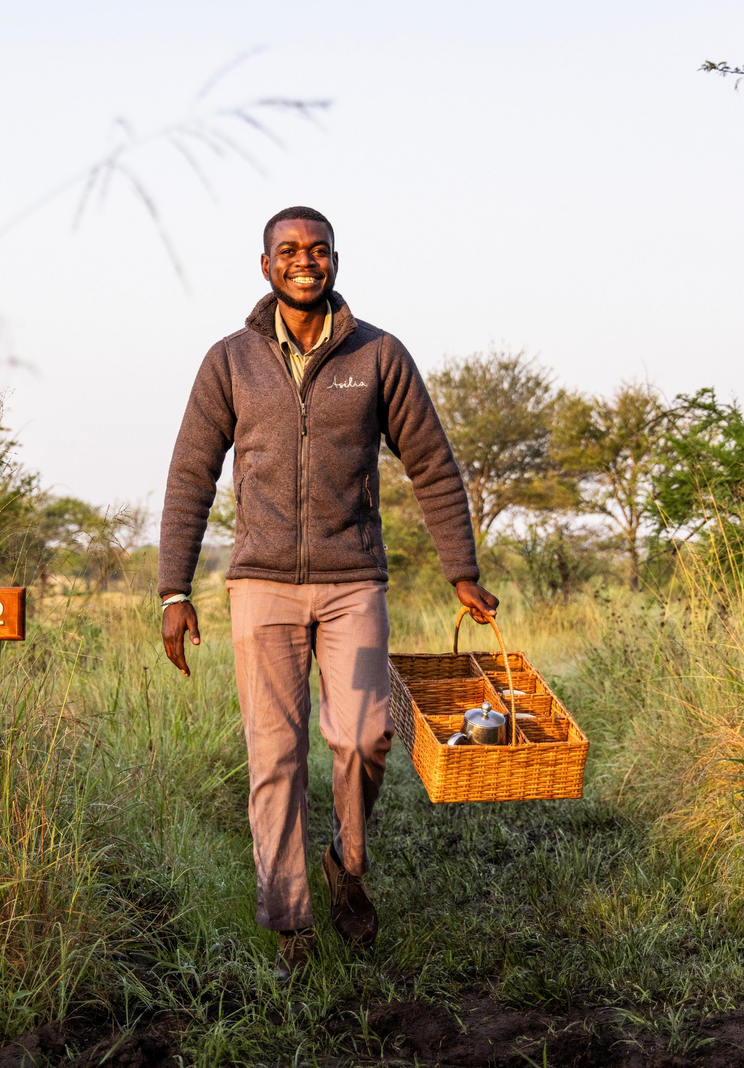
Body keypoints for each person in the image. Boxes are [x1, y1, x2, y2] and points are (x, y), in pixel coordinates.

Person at [156, 206, 498, 980]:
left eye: (317, 250)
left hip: (354, 584)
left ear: (336, 259)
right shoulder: (230, 361)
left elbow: (432, 464)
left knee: (366, 736)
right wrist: (173, 589)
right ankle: (292, 926)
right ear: (266, 264)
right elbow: (190, 474)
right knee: (274, 755)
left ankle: (347, 864)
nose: (303, 261)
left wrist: (462, 569)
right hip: (261, 589)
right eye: (288, 251)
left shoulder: (378, 354)